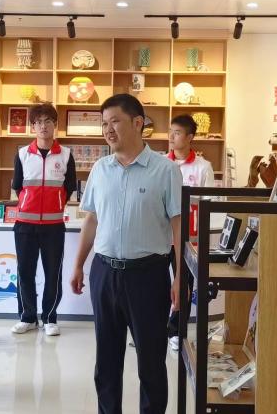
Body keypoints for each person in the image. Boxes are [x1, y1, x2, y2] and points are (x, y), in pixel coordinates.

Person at [71, 94, 183, 414]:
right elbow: (91, 219)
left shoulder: (165, 170)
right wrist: (78, 265)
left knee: (151, 361)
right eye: (104, 123)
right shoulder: (100, 169)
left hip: (148, 276)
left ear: (137, 123)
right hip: (104, 273)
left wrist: (180, 278)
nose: (108, 129)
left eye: (115, 121)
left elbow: (178, 228)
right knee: (106, 360)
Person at [11, 102, 77, 336]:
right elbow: (18, 186)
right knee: (25, 273)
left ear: (55, 124)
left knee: (53, 273)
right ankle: (27, 317)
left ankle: (50, 318)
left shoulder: (66, 155)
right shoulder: (22, 154)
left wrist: (54, 204)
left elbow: (69, 187)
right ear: (33, 126)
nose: (43, 126)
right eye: (38, 122)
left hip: (53, 226)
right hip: (24, 225)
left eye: (48, 121)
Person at [165, 114, 215, 351]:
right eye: (170, 132)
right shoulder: (162, 164)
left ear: (190, 137)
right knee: (156, 285)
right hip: (161, 237)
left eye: (177, 133)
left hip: (188, 239)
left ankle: (177, 331)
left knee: (184, 285)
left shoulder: (203, 167)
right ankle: (156, 329)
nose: (171, 137)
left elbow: (209, 205)